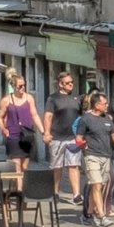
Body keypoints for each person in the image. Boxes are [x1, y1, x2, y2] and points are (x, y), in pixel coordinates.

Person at [74, 90, 114, 226]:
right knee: (97, 185)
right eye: (105, 103)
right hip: (92, 156)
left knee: (98, 186)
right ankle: (101, 216)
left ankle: (88, 214)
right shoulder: (85, 120)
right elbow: (78, 138)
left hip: (106, 156)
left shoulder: (107, 120)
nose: (107, 105)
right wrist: (83, 145)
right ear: (97, 105)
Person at [43, 70, 83, 207]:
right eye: (68, 83)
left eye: (72, 82)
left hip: (72, 138)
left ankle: (76, 195)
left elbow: (82, 118)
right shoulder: (53, 98)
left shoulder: (77, 98)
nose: (71, 84)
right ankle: (55, 191)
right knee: (57, 166)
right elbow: (48, 116)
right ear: (60, 84)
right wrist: (46, 133)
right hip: (57, 137)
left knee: (73, 165)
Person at [0, 69, 41, 183]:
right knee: (16, 164)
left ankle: (16, 185)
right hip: (13, 134)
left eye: (24, 85)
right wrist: (3, 129)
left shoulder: (29, 98)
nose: (23, 88)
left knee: (24, 166)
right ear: (14, 87)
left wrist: (43, 130)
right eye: (20, 86)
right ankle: (20, 192)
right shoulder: (6, 100)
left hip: (27, 135)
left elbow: (34, 114)